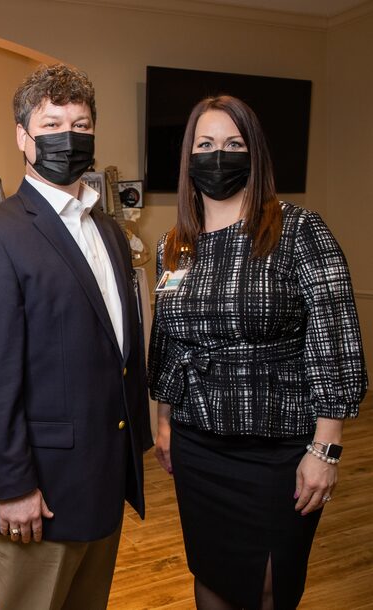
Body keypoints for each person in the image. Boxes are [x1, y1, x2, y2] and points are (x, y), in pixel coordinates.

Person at [148, 95, 367, 610]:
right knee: (211, 575)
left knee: (269, 584)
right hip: (198, 446)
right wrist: (163, 419)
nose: (217, 155)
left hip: (279, 453)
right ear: (188, 157)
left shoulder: (299, 231)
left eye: (232, 144)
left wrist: (325, 450)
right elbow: (169, 339)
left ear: (256, 154)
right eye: (205, 144)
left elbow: (335, 342)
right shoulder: (175, 244)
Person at [0, 64, 152, 609]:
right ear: (23, 136)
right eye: (53, 122)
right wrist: (11, 487)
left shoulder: (108, 230)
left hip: (103, 480)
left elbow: (116, 350)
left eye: (81, 124)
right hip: (37, 495)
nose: (69, 135)